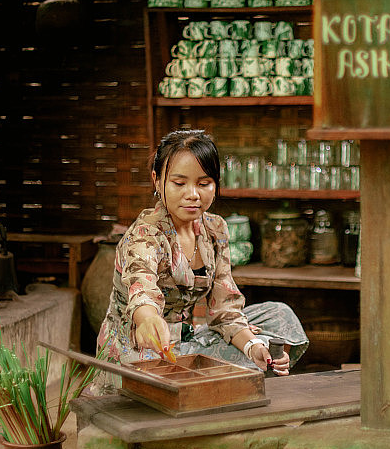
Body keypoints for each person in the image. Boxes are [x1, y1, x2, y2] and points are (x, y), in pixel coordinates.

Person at [97, 129, 308, 379]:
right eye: (179, 183)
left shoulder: (215, 228)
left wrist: (253, 347)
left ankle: (245, 362)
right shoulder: (144, 235)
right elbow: (142, 291)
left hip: (189, 338)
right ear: (157, 180)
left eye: (204, 183)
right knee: (184, 371)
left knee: (278, 315)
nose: (193, 194)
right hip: (143, 349)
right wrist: (147, 320)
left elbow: (224, 308)